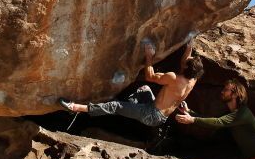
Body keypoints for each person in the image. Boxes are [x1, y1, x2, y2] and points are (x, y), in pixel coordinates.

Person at [59, 37, 204, 127]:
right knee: (144, 89)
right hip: (161, 118)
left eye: (187, 61)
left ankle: (75, 108)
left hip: (150, 114)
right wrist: (190, 43)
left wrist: (149, 56)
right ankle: (124, 107)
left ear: (185, 67)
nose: (185, 59)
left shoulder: (173, 78)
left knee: (115, 106)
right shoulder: (193, 80)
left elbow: (150, 76)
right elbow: (186, 60)